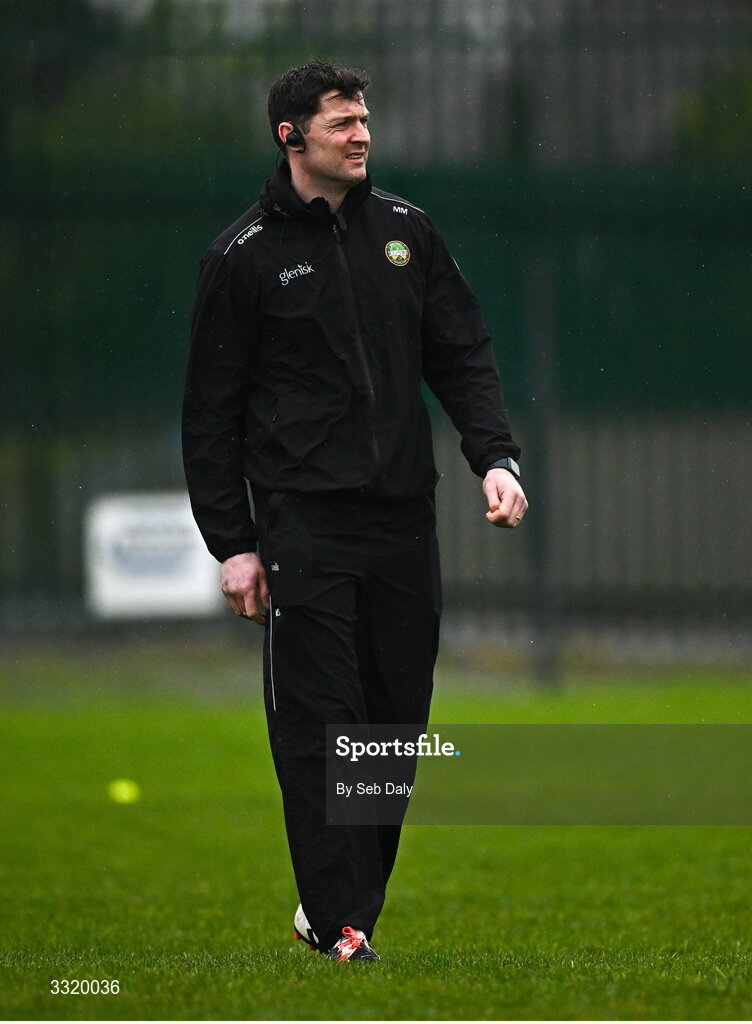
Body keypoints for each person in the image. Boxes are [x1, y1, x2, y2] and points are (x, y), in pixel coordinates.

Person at [182, 59, 527, 963]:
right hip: (304, 529)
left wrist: (494, 457)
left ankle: (336, 907)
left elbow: (462, 353)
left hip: (404, 524)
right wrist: (234, 544)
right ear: (291, 136)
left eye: (365, 118)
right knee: (322, 723)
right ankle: (342, 924)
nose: (362, 134)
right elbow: (210, 416)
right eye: (341, 122)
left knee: (390, 730)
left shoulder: (409, 233)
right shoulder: (243, 257)